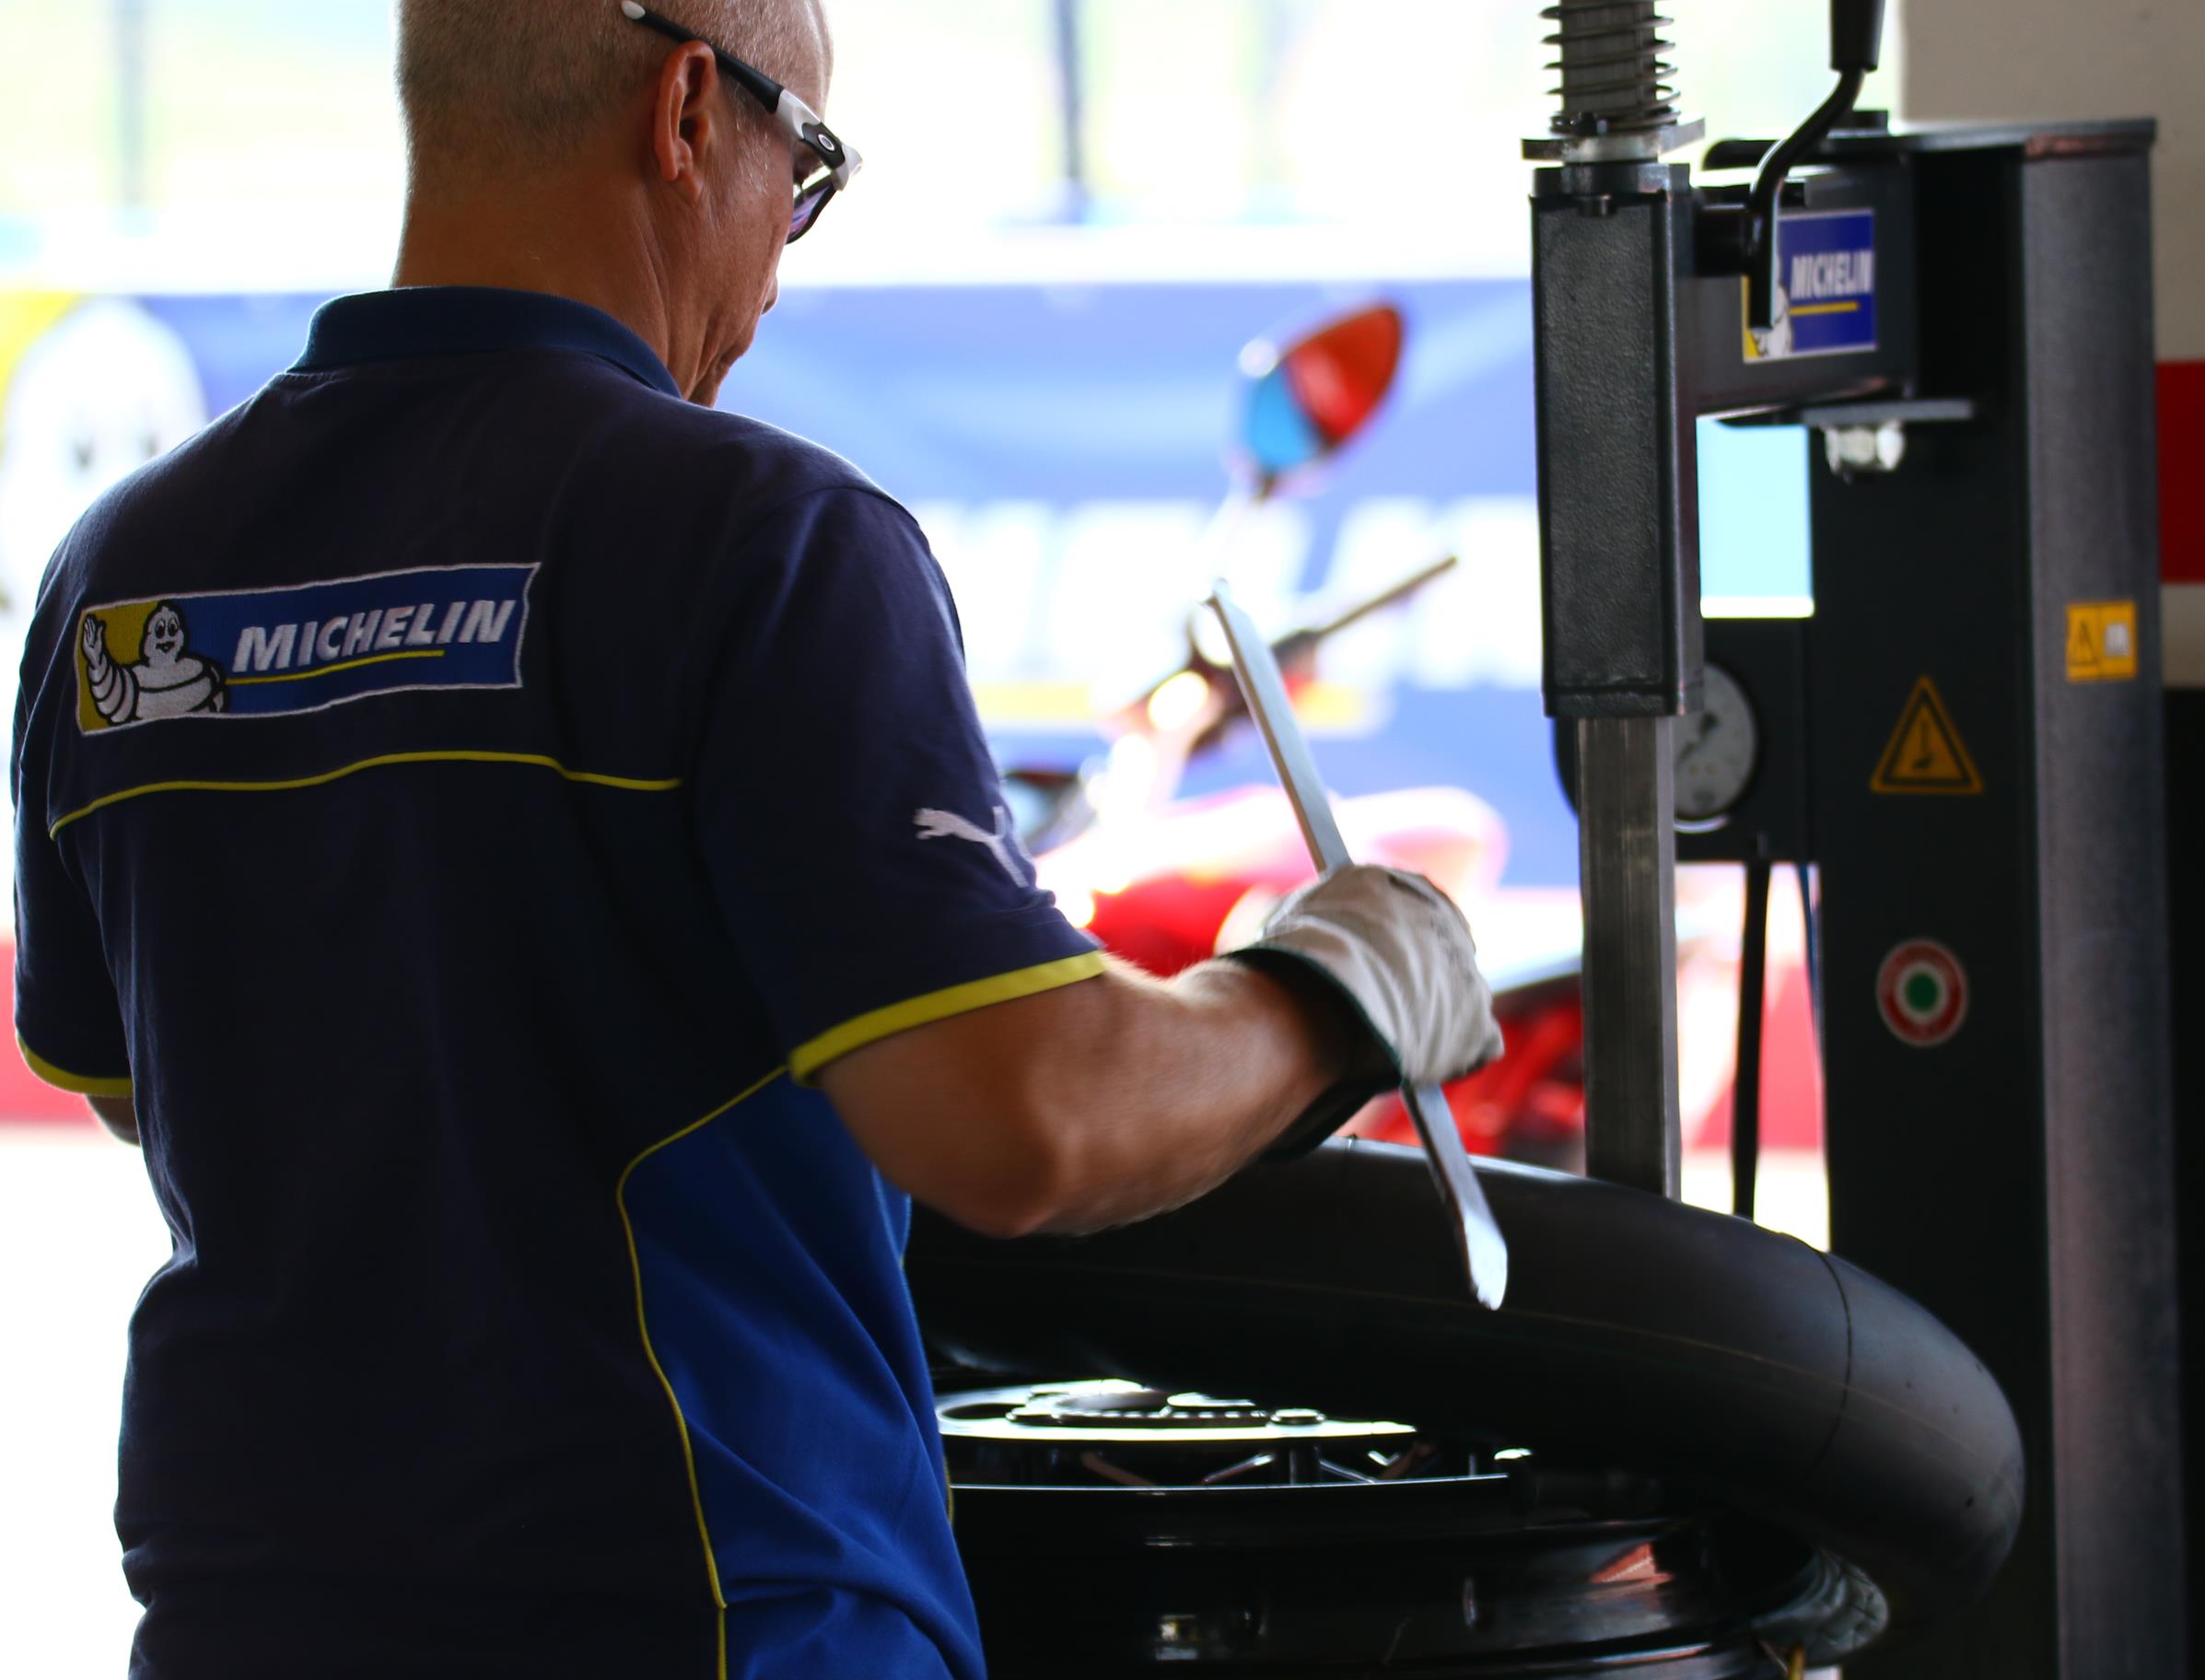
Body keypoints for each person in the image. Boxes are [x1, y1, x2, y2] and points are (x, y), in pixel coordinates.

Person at [6, 3, 1501, 1676]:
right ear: (688, 113)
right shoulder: (762, 536)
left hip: (245, 1623)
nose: (782, 267)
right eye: (807, 172)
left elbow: (143, 1080)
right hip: (714, 1620)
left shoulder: (121, 574)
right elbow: (1021, 1116)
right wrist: (1333, 991)